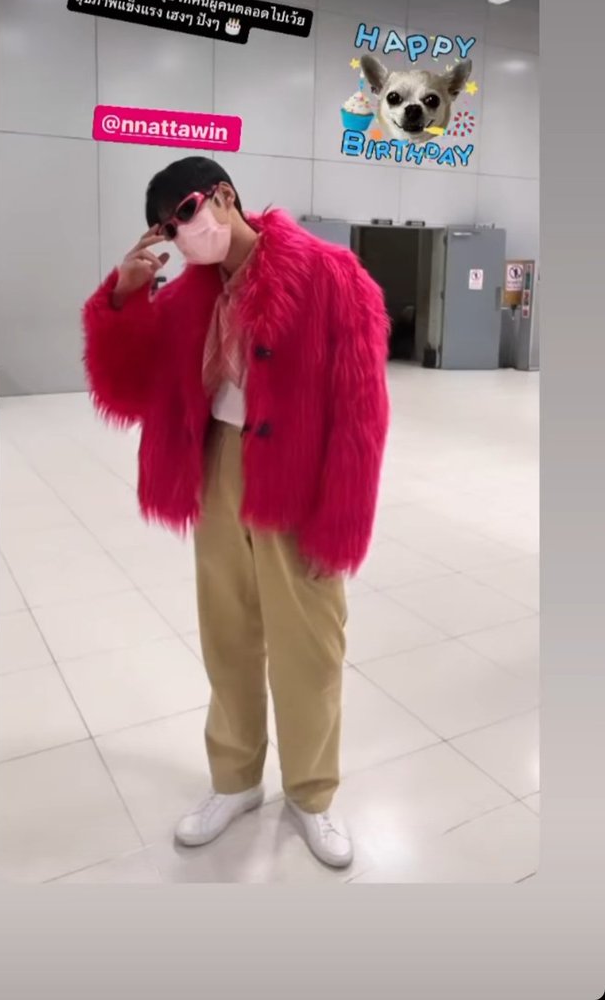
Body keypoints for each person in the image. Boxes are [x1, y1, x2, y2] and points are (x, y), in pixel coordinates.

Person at [82, 157, 391, 869]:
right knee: (227, 634)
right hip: (218, 463)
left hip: (297, 476)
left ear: (224, 196)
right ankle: (235, 779)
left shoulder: (331, 275)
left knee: (309, 643)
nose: (181, 234)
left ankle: (312, 792)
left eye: (186, 213)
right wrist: (124, 298)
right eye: (166, 228)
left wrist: (340, 519)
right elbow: (128, 390)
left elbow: (362, 412)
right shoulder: (187, 296)